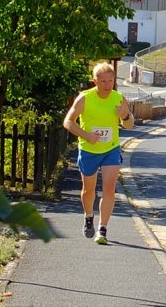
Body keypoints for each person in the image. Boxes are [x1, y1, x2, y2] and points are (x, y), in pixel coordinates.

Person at [63, 62, 134, 245]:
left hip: (110, 149)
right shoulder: (84, 98)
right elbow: (68, 122)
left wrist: (125, 115)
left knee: (109, 188)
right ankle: (88, 216)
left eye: (110, 80)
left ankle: (102, 229)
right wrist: (86, 135)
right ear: (95, 81)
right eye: (102, 81)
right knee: (89, 190)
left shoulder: (118, 98)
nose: (107, 85)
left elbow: (129, 125)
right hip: (88, 150)